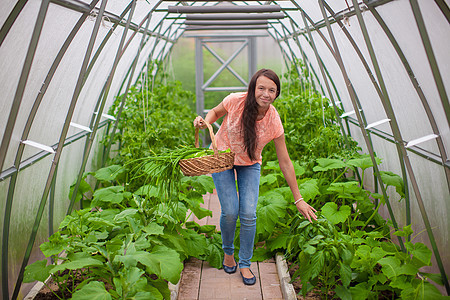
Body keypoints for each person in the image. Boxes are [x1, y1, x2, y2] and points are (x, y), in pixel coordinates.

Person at [193, 69, 317, 286]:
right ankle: (228, 252)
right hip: (222, 157)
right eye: (261, 88)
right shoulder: (235, 101)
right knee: (230, 211)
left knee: (249, 214)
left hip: (250, 165)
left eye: (272, 90)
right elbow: (214, 112)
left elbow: (285, 162)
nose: (266, 94)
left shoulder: (273, 121)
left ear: (277, 94)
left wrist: (299, 199)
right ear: (253, 88)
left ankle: (245, 263)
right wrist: (204, 122)